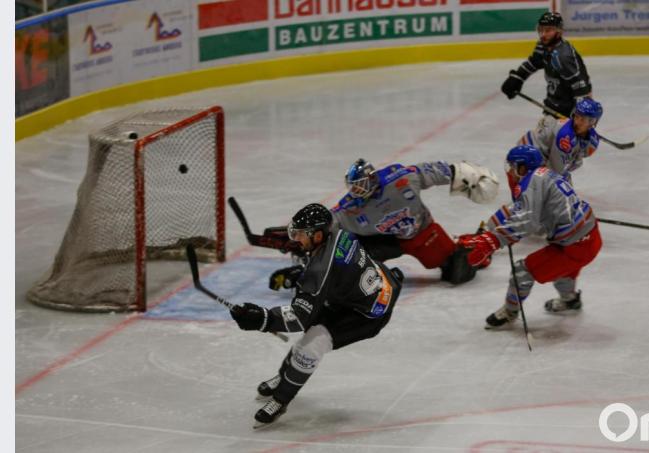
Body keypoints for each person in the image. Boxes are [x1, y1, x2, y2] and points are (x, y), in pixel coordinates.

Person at [229, 203, 404, 428]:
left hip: (366, 316)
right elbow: (330, 269)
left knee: (311, 346)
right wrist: (301, 274)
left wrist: (263, 318)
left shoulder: (320, 270)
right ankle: (285, 376)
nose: (297, 240)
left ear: (318, 235)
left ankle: (281, 400)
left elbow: (299, 316)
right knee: (309, 336)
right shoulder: (338, 231)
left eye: (301, 235)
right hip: (374, 287)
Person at [458, 145, 602, 329]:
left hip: (576, 245)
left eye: (514, 166)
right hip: (588, 237)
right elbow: (517, 208)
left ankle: (510, 312)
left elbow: (527, 221)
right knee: (562, 269)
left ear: (523, 167)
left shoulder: (531, 181)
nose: (511, 171)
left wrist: (492, 241)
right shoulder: (544, 175)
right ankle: (570, 299)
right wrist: (488, 230)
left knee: (522, 272)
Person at [331, 158, 499, 284]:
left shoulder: (400, 178)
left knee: (456, 272)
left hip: (422, 232)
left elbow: (431, 172)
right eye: (355, 187)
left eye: (361, 184)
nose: (358, 190)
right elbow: (329, 220)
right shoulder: (350, 207)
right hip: (389, 240)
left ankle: (476, 243)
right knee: (354, 255)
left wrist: (464, 173)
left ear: (373, 177)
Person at [501, 11, 592, 119]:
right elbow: (534, 62)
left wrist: (579, 117)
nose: (543, 34)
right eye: (541, 30)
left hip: (567, 113)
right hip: (552, 107)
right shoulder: (543, 46)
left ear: (559, 31)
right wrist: (518, 77)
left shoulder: (563, 56)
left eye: (548, 30)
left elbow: (582, 88)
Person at [516, 97, 603, 180]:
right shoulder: (565, 136)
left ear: (592, 122)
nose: (577, 122)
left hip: (546, 154)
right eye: (577, 116)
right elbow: (556, 170)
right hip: (527, 153)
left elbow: (576, 160)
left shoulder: (592, 140)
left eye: (583, 119)